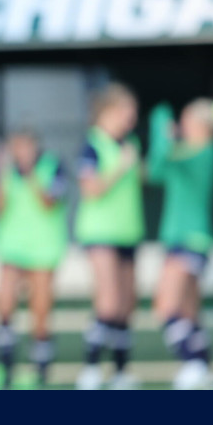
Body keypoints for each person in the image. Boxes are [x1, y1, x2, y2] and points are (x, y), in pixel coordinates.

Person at [74, 83, 144, 390]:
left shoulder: (130, 144)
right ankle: (90, 369)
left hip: (128, 231)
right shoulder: (92, 145)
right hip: (100, 233)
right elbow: (91, 189)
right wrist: (121, 167)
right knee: (109, 302)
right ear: (109, 111)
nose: (132, 117)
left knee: (126, 305)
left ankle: (120, 371)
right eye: (128, 110)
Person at [149, 100, 213, 389]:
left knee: (166, 307)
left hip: (189, 241)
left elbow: (162, 156)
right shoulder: (190, 152)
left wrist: (160, 122)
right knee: (189, 313)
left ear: (202, 125)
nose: (182, 125)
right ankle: (203, 366)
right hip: (185, 240)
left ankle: (192, 363)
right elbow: (155, 170)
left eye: (187, 120)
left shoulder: (203, 151)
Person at [0, 130, 67, 388]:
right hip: (12, 248)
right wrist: (2, 172)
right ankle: (6, 368)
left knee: (41, 311)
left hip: (43, 250)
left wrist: (31, 173)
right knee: (4, 306)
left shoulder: (53, 166)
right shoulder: (8, 172)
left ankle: (41, 370)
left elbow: (49, 202)